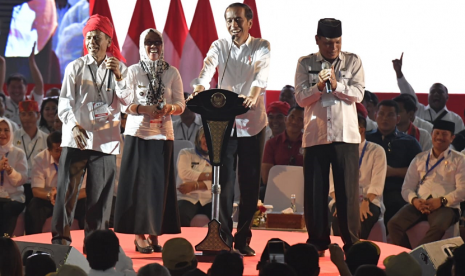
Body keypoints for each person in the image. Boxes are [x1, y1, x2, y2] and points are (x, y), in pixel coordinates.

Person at [190, 2, 271, 256]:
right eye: (229, 20)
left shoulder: (261, 46)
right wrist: (200, 87)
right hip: (223, 123)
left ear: (249, 22)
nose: (233, 25)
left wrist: (253, 95)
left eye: (238, 20)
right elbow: (206, 69)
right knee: (222, 182)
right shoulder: (219, 45)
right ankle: (222, 236)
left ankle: (243, 238)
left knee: (248, 186)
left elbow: (261, 75)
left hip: (252, 123)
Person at [52, 14, 130, 246]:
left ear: (108, 40)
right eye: (88, 37)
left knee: (100, 199)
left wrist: (119, 77)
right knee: (66, 194)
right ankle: (60, 242)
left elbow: (127, 102)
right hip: (77, 137)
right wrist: (73, 125)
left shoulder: (120, 68)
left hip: (106, 142)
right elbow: (64, 101)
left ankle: (95, 243)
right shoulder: (74, 67)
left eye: (97, 37)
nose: (92, 42)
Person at [295, 18, 364, 255]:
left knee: (348, 192)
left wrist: (337, 86)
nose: (332, 47)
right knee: (315, 191)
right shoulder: (305, 63)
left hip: (346, 136)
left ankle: (352, 242)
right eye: (327, 43)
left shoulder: (353, 61)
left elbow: (359, 94)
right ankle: (318, 240)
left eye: (336, 42)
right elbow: (300, 98)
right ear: (317, 40)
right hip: (316, 135)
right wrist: (318, 87)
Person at [114, 28, 183, 253]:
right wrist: (145, 108)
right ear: (143, 46)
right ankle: (138, 234)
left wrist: (168, 109)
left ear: (162, 46)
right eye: (149, 43)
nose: (153, 47)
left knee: (158, 187)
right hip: (138, 135)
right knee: (138, 186)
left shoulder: (172, 72)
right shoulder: (133, 71)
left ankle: (155, 232)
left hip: (163, 135)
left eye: (157, 43)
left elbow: (181, 104)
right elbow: (124, 104)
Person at [388, 120, 465, 248]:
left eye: (444, 134)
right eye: (437, 133)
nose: (440, 137)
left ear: (452, 138)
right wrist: (414, 200)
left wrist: (442, 201)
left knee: (438, 227)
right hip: (420, 203)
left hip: (447, 206)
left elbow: (462, 190)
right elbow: (406, 188)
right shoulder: (420, 158)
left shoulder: (459, 160)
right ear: (431, 134)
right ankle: (407, 254)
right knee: (393, 224)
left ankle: (418, 258)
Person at [366, 100, 422, 227]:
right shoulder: (366, 139)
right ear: (375, 116)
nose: (385, 118)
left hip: (395, 190)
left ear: (397, 119)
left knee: (395, 203)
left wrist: (393, 172)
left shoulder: (409, 142)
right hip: (368, 190)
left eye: (390, 115)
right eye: (381, 114)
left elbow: (421, 171)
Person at [330, 115, 386, 239]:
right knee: (338, 218)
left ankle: (357, 253)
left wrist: (366, 202)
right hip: (342, 199)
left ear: (361, 130)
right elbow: (332, 184)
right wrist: (340, 202)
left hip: (369, 200)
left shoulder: (377, 151)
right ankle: (338, 252)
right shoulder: (338, 151)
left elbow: (377, 183)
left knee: (363, 217)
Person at [25, 131, 86, 234]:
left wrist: (66, 196)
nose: (62, 154)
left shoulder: (77, 157)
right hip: (49, 198)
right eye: (57, 151)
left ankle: (88, 240)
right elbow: (36, 190)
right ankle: (33, 242)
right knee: (34, 206)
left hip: (72, 198)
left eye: (64, 150)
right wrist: (51, 196)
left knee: (86, 204)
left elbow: (85, 190)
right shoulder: (40, 159)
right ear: (49, 150)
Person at [393, 53, 465, 133]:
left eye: (440, 92)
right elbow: (408, 93)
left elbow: (460, 140)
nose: (436, 94)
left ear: (447, 97)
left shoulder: (455, 119)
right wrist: (399, 73)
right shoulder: (418, 110)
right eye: (433, 92)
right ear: (428, 96)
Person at [260, 106, 304, 200]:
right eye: (292, 117)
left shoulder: (308, 143)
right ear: (285, 119)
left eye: (300, 119)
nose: (294, 122)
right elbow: (265, 177)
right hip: (276, 188)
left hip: (302, 188)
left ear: (305, 123)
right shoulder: (272, 143)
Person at [13, 100, 48, 205]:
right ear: (19, 116)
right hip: (17, 184)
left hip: (39, 185)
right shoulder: (12, 137)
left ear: (38, 115)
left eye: (30, 114)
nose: (26, 118)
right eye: (23, 114)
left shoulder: (47, 139)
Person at [0, 45, 44, 127]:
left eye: (20, 87)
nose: (16, 90)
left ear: (26, 88)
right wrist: (2, 63)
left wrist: (31, 61)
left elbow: (39, 85)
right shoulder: (3, 102)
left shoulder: (32, 101)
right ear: (7, 88)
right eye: (13, 87)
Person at [176, 127, 212, 227]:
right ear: (198, 138)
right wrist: (210, 176)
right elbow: (185, 173)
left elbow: (220, 179)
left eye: (211, 137)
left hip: (209, 199)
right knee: (181, 215)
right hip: (187, 197)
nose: (208, 140)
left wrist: (195, 186)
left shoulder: (218, 158)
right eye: (205, 136)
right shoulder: (186, 153)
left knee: (221, 217)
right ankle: (182, 241)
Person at [0, 118, 28, 237]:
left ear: (11, 132)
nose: (2, 133)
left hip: (14, 197)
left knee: (8, 208)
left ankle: (5, 242)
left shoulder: (18, 153)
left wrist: (9, 170)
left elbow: (22, 179)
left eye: (6, 130)